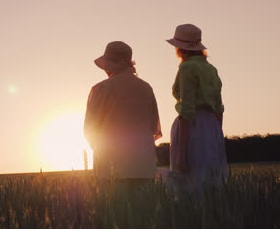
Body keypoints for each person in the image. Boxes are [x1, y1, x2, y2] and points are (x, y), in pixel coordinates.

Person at [84, 41, 162, 189]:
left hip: (112, 164)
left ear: (108, 65)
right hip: (143, 165)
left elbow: (89, 129)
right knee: (143, 210)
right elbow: (153, 127)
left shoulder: (101, 89)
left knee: (114, 209)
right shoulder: (146, 88)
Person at [161, 24, 228, 192]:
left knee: (190, 182)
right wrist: (216, 135)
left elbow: (187, 109)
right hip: (212, 127)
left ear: (179, 48)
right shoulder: (211, 69)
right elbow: (219, 107)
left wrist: (181, 153)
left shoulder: (187, 68)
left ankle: (191, 216)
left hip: (191, 127)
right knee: (211, 182)